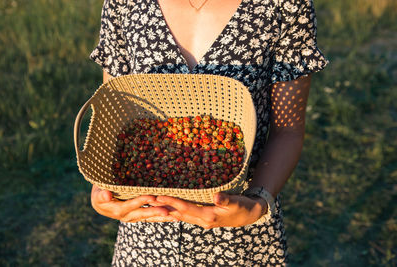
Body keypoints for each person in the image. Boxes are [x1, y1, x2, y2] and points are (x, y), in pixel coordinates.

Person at [89, 0, 328, 265]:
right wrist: (103, 189)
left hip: (241, 236)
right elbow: (114, 115)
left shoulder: (285, 5)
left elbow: (288, 130)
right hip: (147, 234)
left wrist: (257, 203)